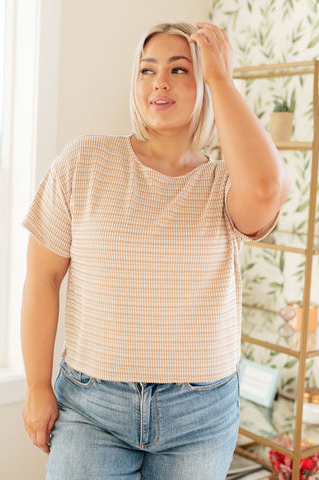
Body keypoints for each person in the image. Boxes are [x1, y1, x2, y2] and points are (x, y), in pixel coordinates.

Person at [21, 22, 290, 480]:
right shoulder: (84, 161)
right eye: (147, 70)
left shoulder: (225, 183)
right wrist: (36, 386)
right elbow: (42, 278)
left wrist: (223, 79)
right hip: (92, 407)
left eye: (179, 69)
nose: (160, 81)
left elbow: (268, 187)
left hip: (200, 415)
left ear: (203, 81)